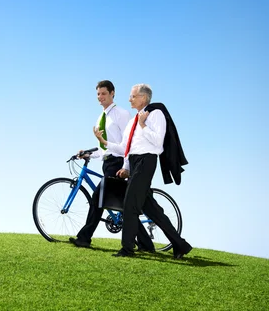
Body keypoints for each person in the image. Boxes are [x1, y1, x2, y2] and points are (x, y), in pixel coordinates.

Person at [96, 83, 192, 259]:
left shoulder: (155, 114)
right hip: (134, 162)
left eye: (133, 96)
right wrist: (105, 142)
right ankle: (181, 245)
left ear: (144, 98)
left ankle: (127, 249)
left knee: (129, 204)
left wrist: (143, 125)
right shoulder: (134, 120)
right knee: (152, 210)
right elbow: (126, 147)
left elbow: (158, 142)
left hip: (147, 161)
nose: (129, 99)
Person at [69, 80, 154, 252]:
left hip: (118, 164)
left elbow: (128, 143)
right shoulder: (101, 118)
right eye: (98, 94)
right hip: (108, 163)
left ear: (112, 93)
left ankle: (84, 238)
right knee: (123, 206)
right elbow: (104, 149)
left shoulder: (121, 114)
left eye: (104, 93)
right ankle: (145, 243)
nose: (100, 97)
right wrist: (89, 154)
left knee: (97, 200)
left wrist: (126, 167)